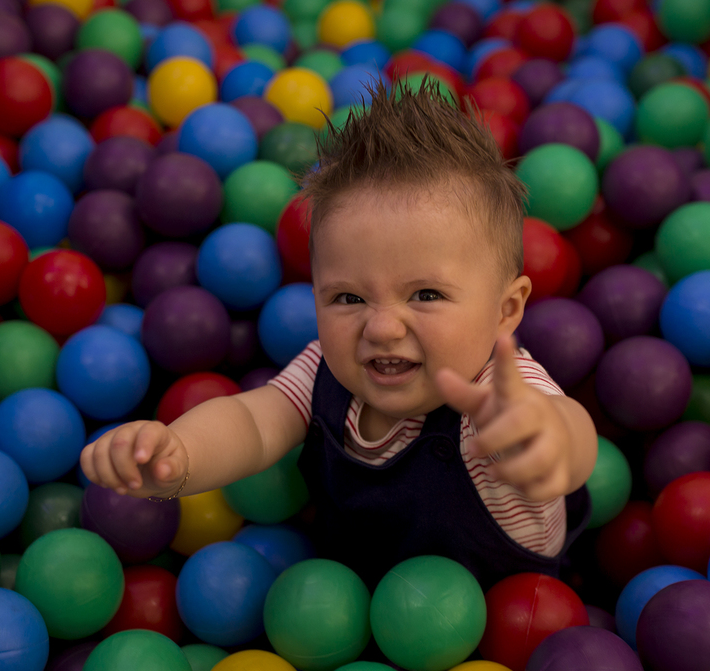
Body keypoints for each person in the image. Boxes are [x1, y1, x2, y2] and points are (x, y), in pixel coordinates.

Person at [82, 80, 599, 587]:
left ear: (505, 311)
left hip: (498, 614)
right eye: (348, 298)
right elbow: (252, 422)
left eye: (426, 295)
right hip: (350, 594)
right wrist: (178, 454)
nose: (382, 326)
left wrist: (548, 440)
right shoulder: (323, 371)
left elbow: (567, 428)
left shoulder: (499, 392)